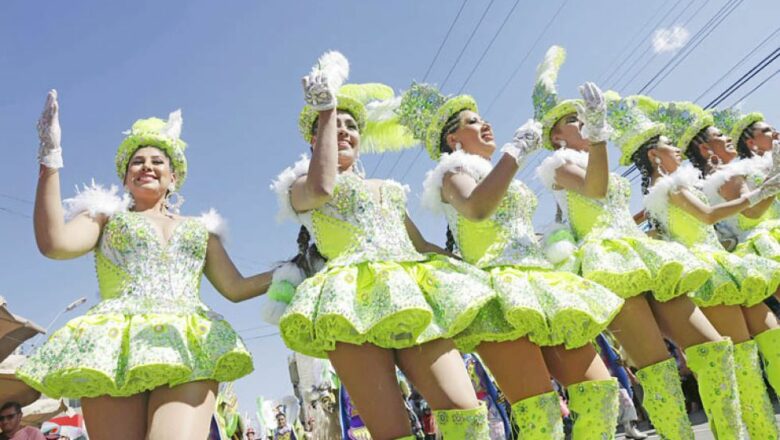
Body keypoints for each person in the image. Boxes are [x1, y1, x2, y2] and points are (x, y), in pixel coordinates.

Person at [17, 90, 271, 440]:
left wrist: (296, 270)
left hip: (187, 343)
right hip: (112, 347)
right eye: (137, 162)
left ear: (173, 177)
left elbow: (236, 288)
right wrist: (50, 157)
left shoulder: (201, 230)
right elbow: (54, 244)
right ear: (125, 177)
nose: (147, 166)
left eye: (157, 161)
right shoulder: (106, 218)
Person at [272, 51, 493, 440]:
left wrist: (471, 265)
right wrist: (326, 111)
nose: (344, 131)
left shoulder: (387, 190)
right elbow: (323, 187)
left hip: (411, 292)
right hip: (349, 304)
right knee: (393, 431)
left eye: (351, 126)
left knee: (466, 410)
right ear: (314, 139)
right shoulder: (299, 186)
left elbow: (419, 243)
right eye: (334, 125)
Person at [533, 46, 746, 439]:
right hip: (609, 261)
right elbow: (595, 192)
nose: (581, 121)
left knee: (715, 350)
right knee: (658, 368)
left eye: (583, 117)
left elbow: (600, 202)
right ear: (555, 135)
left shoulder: (592, 158)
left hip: (639, 250)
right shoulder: (560, 165)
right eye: (572, 120)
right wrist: (598, 136)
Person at [398, 80, 624, 439]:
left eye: (483, 118)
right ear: (453, 140)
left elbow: (596, 190)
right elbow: (476, 207)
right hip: (499, 294)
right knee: (542, 416)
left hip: (541, 283)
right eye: (472, 122)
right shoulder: (452, 174)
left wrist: (597, 134)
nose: (485, 123)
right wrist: (515, 151)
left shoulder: (501, 174)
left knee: (601, 393)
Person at [632, 97, 780, 437]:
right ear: (655, 155)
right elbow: (710, 215)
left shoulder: (674, 186)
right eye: (670, 145)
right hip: (708, 273)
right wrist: (764, 191)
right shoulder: (669, 186)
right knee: (743, 364)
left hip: (726, 264)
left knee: (772, 342)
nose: (677, 150)